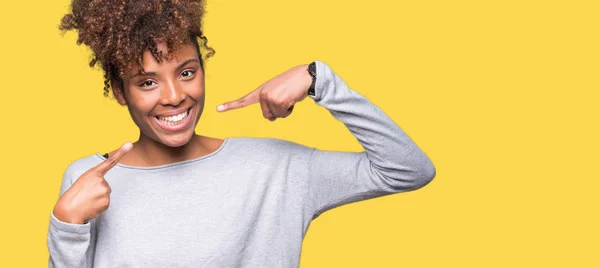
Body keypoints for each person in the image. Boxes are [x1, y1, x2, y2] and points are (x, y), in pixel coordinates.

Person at [47, 0, 436, 267]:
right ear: (119, 91)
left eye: (186, 73)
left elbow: (407, 170)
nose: (174, 96)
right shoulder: (89, 182)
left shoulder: (274, 168)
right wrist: (65, 223)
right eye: (147, 82)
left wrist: (321, 81)